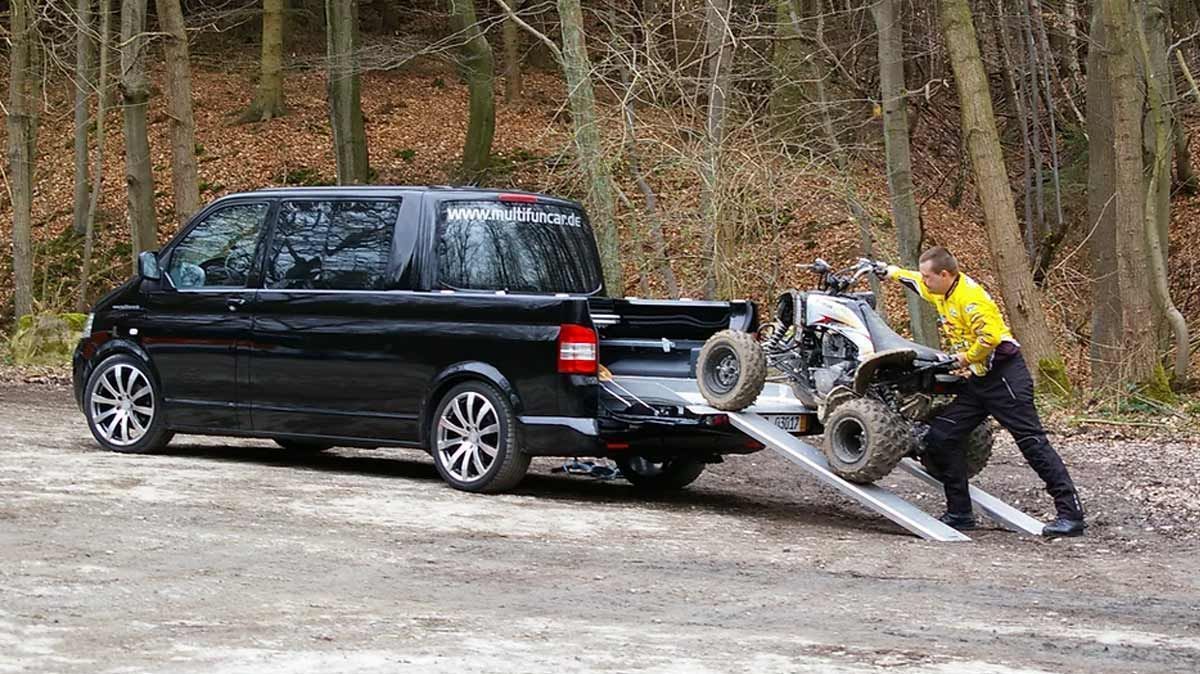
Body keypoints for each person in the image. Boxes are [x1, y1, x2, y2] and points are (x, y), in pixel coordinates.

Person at [874, 247, 1085, 538]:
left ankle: (1071, 515)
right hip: (979, 382)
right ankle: (960, 513)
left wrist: (964, 359)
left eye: (928, 276)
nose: (924, 281)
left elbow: (990, 338)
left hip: (1005, 378)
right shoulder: (939, 290)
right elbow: (914, 281)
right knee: (942, 436)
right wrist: (889, 271)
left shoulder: (971, 298)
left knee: (1033, 444)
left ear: (945, 274)